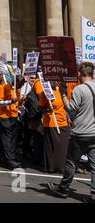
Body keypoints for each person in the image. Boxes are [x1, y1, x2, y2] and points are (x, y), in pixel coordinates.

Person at [48, 62, 95, 204]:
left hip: (80, 133)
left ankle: (63, 188)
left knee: (70, 162)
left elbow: (71, 109)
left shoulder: (79, 89)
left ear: (80, 74)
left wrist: (62, 94)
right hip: (94, 133)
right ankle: (94, 195)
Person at [38, 81, 70, 174]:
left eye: (57, 80)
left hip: (63, 121)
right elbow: (40, 107)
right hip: (51, 122)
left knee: (64, 144)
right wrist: (47, 110)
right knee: (54, 145)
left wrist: (67, 115)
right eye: (53, 80)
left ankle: (63, 166)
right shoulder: (45, 93)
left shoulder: (60, 90)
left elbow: (63, 106)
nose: (55, 82)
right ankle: (53, 167)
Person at [0, 70, 21, 170]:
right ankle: (10, 160)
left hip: (13, 116)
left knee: (13, 139)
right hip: (4, 116)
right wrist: (10, 101)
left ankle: (11, 157)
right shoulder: (2, 88)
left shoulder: (15, 89)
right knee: (7, 139)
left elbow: (17, 102)